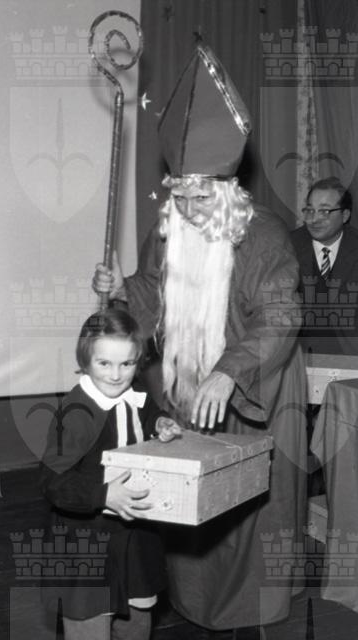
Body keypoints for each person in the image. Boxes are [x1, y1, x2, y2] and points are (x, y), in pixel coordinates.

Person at [93, 45, 308, 638]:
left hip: (257, 387)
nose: (188, 209)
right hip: (191, 386)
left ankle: (251, 615)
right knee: (190, 502)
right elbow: (152, 291)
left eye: (201, 196)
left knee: (250, 513)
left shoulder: (263, 235)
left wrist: (229, 370)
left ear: (229, 190)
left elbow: (281, 313)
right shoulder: (171, 230)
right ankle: (194, 605)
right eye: (180, 195)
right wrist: (121, 289)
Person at [39, 307, 181, 640]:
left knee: (136, 620)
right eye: (104, 363)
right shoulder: (75, 414)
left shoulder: (136, 394)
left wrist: (160, 423)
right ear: (85, 361)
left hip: (134, 537)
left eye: (127, 364)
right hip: (86, 539)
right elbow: (52, 482)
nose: (116, 375)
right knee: (89, 621)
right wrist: (103, 495)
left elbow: (148, 412)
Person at [291, 176, 358, 355]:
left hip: (350, 356)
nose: (314, 219)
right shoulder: (289, 246)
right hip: (298, 356)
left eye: (325, 211)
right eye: (310, 211)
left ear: (345, 215)